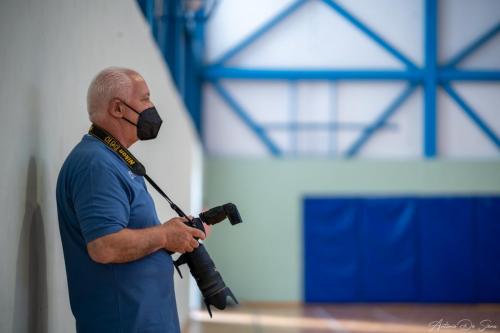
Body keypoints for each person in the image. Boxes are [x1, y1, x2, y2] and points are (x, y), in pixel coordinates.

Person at [56, 67, 207, 333]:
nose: (152, 107)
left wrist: (176, 234)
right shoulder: (97, 164)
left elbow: (133, 239)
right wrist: (163, 235)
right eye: (145, 98)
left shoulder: (114, 161)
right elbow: (104, 246)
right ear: (118, 109)